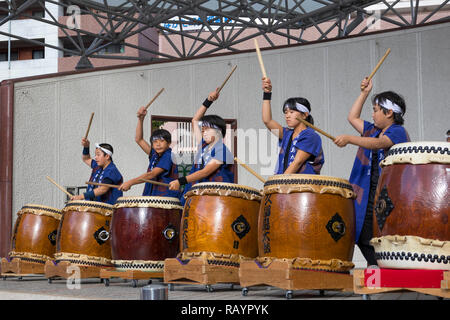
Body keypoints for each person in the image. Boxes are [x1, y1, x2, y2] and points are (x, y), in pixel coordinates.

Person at [334, 77, 410, 266]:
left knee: (375, 233)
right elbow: (352, 117)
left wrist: (350, 139)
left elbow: (379, 144)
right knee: (359, 231)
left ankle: (380, 266)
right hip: (367, 191)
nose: (373, 115)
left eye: (376, 110)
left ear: (389, 112)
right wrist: (364, 93)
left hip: (387, 194)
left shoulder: (398, 131)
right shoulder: (371, 130)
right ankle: (376, 265)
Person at [168, 88, 234, 205]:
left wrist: (180, 181)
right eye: (202, 130)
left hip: (216, 199)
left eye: (207, 129)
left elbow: (205, 172)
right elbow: (195, 120)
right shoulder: (203, 146)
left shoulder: (222, 150)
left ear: (219, 131)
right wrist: (208, 100)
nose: (204, 132)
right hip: (198, 196)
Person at [261, 77, 324, 175]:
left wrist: (280, 184)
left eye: (292, 112)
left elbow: (297, 162)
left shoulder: (310, 136)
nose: (287, 115)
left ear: (304, 114)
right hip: (286, 185)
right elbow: (267, 120)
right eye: (286, 112)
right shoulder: (286, 134)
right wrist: (267, 93)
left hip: (302, 186)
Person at [119, 106, 180, 198]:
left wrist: (131, 182)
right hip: (153, 195)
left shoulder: (169, 155)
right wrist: (140, 119)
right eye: (155, 142)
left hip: (165, 197)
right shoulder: (155, 154)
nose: (158, 144)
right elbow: (139, 139)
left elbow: (152, 174)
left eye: (161, 141)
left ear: (169, 143)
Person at [71, 139, 123, 205]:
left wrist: (81, 196)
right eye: (95, 155)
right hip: (94, 207)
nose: (95, 157)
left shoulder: (112, 171)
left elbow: (103, 189)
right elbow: (86, 159)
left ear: (107, 156)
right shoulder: (97, 166)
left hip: (107, 211)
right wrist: (86, 147)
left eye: (98, 155)